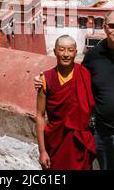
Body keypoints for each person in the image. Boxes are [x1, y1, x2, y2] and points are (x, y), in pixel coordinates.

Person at [35, 10, 114, 170]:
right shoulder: (93, 56)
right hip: (102, 135)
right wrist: (43, 79)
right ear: (105, 27)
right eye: (112, 26)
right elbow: (74, 78)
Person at [36, 35, 96, 170]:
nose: (66, 54)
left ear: (76, 52)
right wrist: (42, 151)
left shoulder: (85, 74)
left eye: (70, 50)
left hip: (80, 142)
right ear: (55, 51)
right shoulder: (46, 79)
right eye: (62, 50)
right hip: (56, 142)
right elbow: (40, 115)